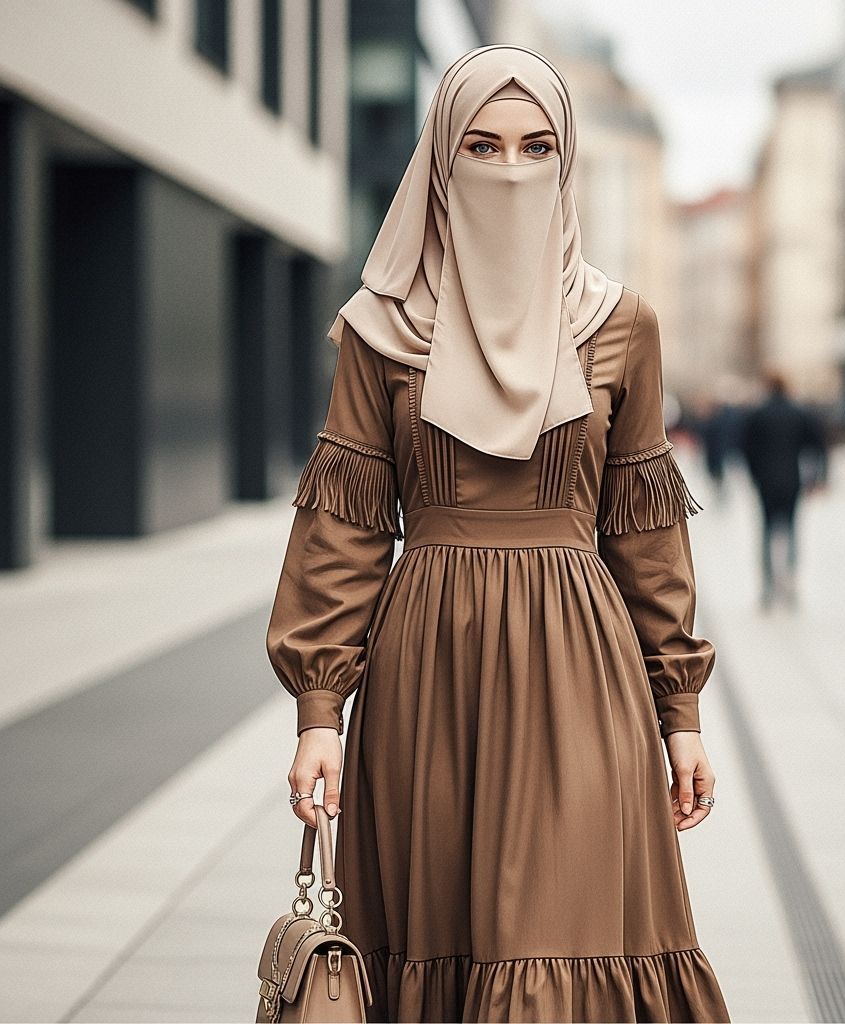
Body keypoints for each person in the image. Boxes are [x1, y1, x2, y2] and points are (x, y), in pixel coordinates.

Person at [264, 45, 730, 1023]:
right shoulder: (381, 328)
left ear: (565, 167)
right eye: (480, 145)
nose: (509, 170)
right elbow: (344, 528)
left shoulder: (621, 325)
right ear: (439, 158)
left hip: (582, 679)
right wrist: (318, 710)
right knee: (442, 938)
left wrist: (678, 710)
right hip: (426, 679)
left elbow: (645, 536)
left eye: (535, 147)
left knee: (560, 934)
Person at [737, 371, 828, 610]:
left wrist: (754, 475)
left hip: (766, 482)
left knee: (766, 533)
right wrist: (817, 477)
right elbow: (818, 445)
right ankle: (790, 582)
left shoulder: (757, 414)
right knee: (790, 531)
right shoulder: (798, 412)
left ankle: (768, 587)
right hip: (791, 480)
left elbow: (745, 449)